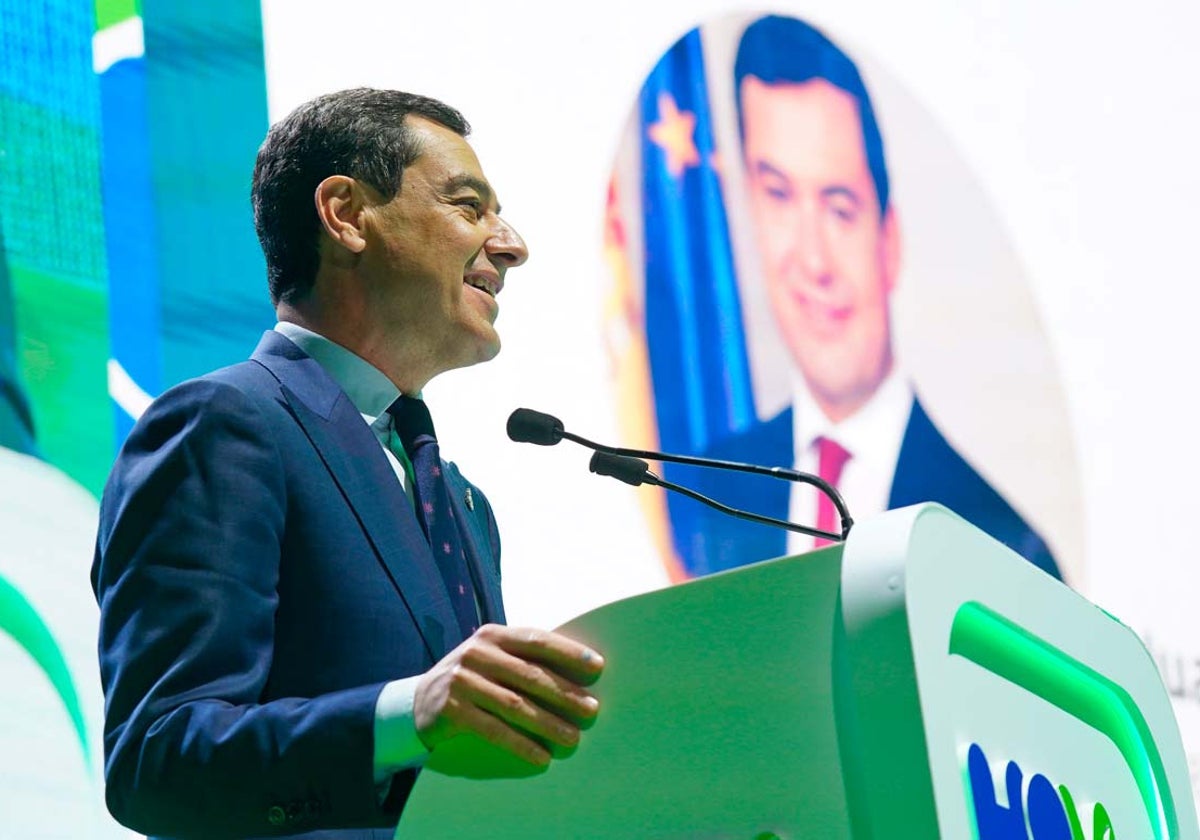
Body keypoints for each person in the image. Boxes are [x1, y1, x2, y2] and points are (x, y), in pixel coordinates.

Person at [91, 89, 604, 839]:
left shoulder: (463, 504)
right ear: (345, 214)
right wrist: (403, 715)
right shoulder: (223, 425)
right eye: (470, 206)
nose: (511, 244)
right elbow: (155, 761)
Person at [678, 16, 1059, 579]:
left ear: (890, 240)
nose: (812, 260)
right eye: (778, 195)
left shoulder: (1004, 541)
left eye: (839, 207)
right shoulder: (698, 491)